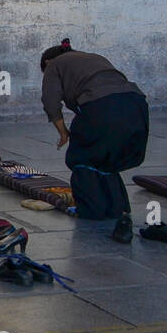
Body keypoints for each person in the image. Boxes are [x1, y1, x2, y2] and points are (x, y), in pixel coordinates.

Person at [40, 38, 149, 240]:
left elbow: (50, 101)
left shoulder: (54, 65)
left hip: (101, 107)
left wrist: (63, 132)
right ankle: (118, 209)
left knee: (83, 158)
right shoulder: (93, 58)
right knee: (107, 158)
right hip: (136, 104)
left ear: (47, 62)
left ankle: (93, 210)